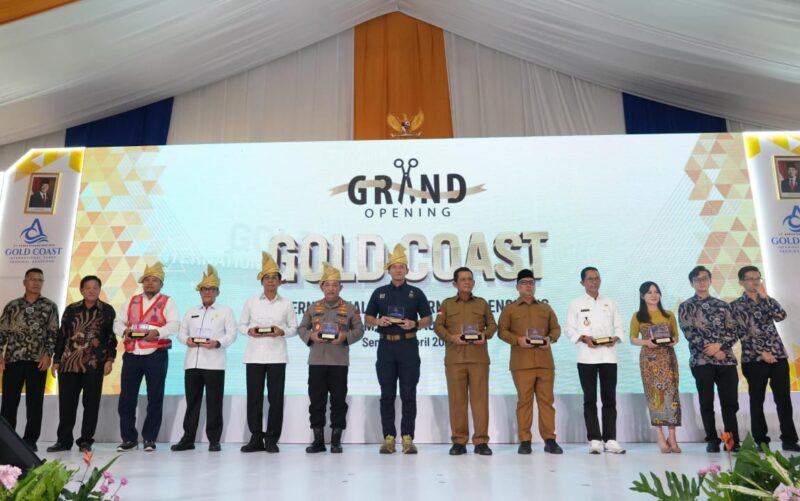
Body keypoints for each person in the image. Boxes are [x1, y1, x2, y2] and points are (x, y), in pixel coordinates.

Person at [365, 244, 433, 454]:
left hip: (408, 346)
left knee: (408, 394)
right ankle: (388, 438)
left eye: (401, 267)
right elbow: (367, 317)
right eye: (394, 267)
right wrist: (378, 321)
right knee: (387, 394)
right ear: (389, 270)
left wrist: (415, 324)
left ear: (406, 270)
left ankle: (407, 438)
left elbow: (429, 319)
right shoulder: (379, 293)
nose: (398, 271)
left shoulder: (416, 293)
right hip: (386, 346)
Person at [730, 266, 799, 452]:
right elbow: (742, 334)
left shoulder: (768, 300)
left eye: (757, 278)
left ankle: (790, 440)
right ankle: (761, 440)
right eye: (750, 279)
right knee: (757, 399)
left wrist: (766, 297)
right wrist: (761, 353)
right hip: (753, 359)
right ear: (741, 282)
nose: (755, 282)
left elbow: (780, 316)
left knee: (783, 399)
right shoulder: (736, 305)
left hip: (778, 355)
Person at [297, 262, 364, 454]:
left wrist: (346, 337)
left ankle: (336, 441)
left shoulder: (350, 308)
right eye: (328, 285)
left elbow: (359, 330)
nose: (331, 288)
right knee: (316, 401)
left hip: (338, 362)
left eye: (335, 285)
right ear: (322, 287)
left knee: (338, 401)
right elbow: (302, 328)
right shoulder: (313, 307)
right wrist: (311, 336)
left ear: (340, 288)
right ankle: (318, 441)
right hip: (317, 361)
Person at [114, 262, 179, 452]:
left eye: (155, 280)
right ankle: (129, 438)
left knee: (155, 397)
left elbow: (175, 325)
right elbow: (118, 322)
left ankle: (150, 438)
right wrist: (123, 331)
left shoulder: (168, 301)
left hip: (155, 354)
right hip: (133, 353)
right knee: (127, 398)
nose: (150, 284)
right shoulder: (131, 300)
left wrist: (157, 332)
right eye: (147, 280)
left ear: (161, 283)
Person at [171, 265, 237, 453]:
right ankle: (188, 438)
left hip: (215, 363)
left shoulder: (225, 311)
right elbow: (181, 333)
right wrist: (187, 340)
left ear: (217, 292)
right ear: (199, 292)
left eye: (211, 289)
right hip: (192, 363)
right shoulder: (191, 311)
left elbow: (232, 334)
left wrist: (217, 343)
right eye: (204, 289)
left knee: (214, 403)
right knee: (192, 402)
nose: (207, 292)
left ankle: (214, 440)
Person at [48, 275, 116, 453]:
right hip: (69, 364)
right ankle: (63, 441)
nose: (91, 290)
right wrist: (56, 360)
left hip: (94, 365)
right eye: (87, 287)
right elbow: (61, 335)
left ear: (99, 290)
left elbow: (110, 338)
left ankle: (86, 440)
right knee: (66, 404)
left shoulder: (107, 310)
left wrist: (110, 359)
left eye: (95, 287)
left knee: (91, 405)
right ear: (81, 290)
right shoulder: (71, 309)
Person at [433, 266, 497, 456]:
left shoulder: (482, 304)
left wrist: (485, 335)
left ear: (473, 283)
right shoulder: (446, 304)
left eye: (470, 279)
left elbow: (493, 325)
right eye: (463, 279)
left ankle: (481, 442)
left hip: (478, 359)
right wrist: (451, 337)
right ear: (455, 284)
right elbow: (438, 326)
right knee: (457, 401)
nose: (467, 282)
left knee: (480, 401)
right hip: (455, 359)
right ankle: (459, 441)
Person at [498, 269, 563, 455]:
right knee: (524, 402)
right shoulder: (510, 309)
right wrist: (518, 340)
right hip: (522, 363)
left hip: (544, 362)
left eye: (532, 282)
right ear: (517, 286)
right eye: (525, 282)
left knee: (546, 402)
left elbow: (556, 329)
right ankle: (525, 440)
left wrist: (551, 338)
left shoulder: (545, 308)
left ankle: (550, 440)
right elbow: (502, 331)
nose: (529, 285)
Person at [239, 251, 297, 453]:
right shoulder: (252, 301)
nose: (270, 281)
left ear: (280, 282)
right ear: (261, 281)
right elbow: (241, 325)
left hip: (277, 356)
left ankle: (272, 439)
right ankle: (255, 437)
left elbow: (294, 328)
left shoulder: (286, 303)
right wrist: (249, 331)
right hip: (254, 355)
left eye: (274, 278)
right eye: (267, 278)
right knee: (254, 397)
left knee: (276, 399)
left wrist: (283, 331)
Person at [678, 265, 740, 453]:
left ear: (711, 281)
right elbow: (689, 332)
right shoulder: (686, 306)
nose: (702, 282)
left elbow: (734, 331)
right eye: (697, 279)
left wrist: (720, 347)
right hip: (701, 361)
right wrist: (711, 350)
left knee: (729, 403)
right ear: (692, 283)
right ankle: (712, 439)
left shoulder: (723, 305)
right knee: (706, 401)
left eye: (705, 278)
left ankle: (732, 441)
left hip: (726, 360)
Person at [565, 267, 625, 454]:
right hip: (586, 357)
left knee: (609, 399)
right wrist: (583, 338)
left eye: (597, 278)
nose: (594, 282)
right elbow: (569, 329)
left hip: (609, 356)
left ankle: (610, 439)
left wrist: (615, 337)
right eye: (590, 279)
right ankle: (594, 439)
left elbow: (619, 327)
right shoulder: (575, 304)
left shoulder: (610, 302)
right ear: (582, 282)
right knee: (589, 399)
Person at [0, 268, 59, 451]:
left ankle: (30, 441)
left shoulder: (50, 306)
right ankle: (7, 440)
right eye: (32, 279)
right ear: (25, 282)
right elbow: (2, 331)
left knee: (35, 403)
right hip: (13, 359)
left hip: (37, 361)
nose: (36, 283)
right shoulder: (13, 306)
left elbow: (53, 333)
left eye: (40, 280)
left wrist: (48, 354)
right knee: (9, 402)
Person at [630, 281, 682, 453]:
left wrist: (672, 341)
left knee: (671, 397)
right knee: (656, 398)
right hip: (649, 361)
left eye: (656, 292)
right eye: (649, 292)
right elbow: (632, 338)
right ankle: (660, 437)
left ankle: (673, 438)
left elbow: (676, 337)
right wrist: (647, 342)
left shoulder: (668, 315)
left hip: (667, 359)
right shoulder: (638, 316)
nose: (653, 295)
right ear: (642, 296)